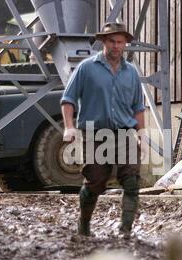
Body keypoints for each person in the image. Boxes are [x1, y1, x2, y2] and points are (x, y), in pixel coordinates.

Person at [60, 22, 148, 238]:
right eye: (112, 41)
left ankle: (125, 230)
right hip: (95, 134)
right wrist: (69, 127)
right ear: (103, 42)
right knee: (96, 181)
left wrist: (142, 134)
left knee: (131, 180)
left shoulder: (131, 73)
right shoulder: (86, 68)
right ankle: (84, 224)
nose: (116, 46)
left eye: (120, 42)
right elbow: (68, 99)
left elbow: (138, 106)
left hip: (125, 133)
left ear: (125, 44)